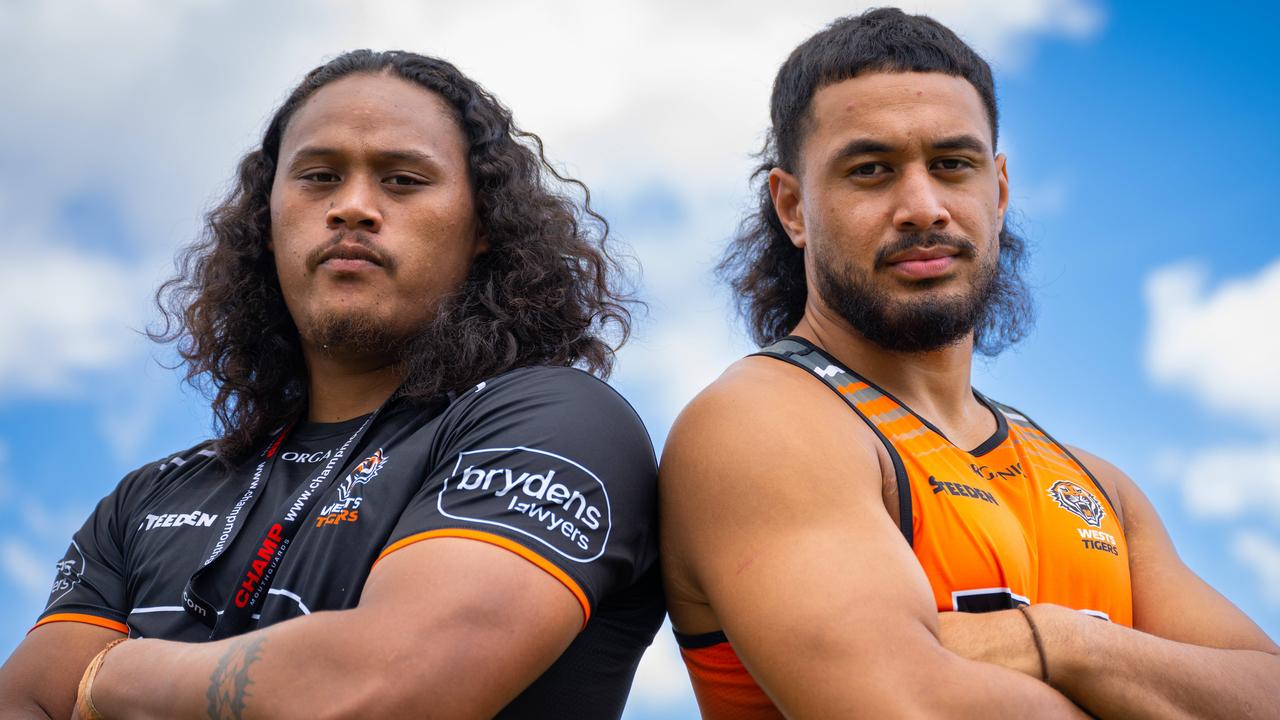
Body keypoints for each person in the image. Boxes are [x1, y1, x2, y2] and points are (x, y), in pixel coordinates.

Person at [0, 50, 662, 719]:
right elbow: (26, 703)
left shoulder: (556, 423)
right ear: (267, 222)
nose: (352, 207)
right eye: (318, 177)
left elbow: (387, 689)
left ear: (482, 227)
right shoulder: (146, 499)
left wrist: (116, 677)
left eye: (403, 180)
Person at [660, 9, 1279, 719]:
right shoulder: (761, 426)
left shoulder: (1100, 489)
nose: (922, 207)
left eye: (953, 165)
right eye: (871, 171)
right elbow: (913, 707)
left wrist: (1064, 642)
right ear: (793, 208)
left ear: (1000, 189)